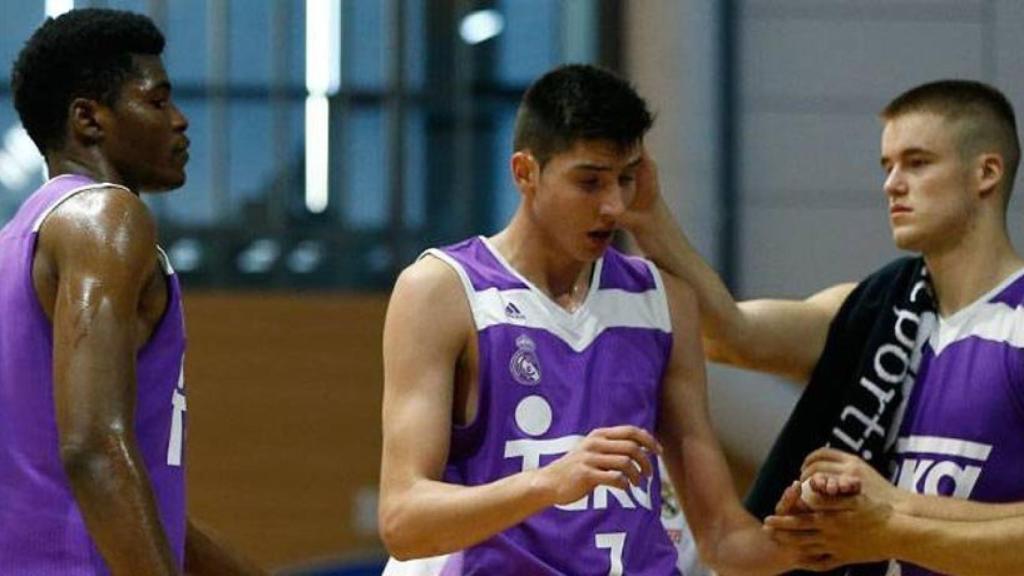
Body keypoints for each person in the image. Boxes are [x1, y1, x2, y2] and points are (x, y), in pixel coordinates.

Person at [377, 63, 830, 575]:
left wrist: (807, 539)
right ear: (525, 172)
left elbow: (723, 538)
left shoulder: (664, 300)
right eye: (589, 182)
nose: (614, 206)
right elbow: (403, 520)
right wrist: (551, 482)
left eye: (627, 179)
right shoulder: (442, 289)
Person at [627, 79, 1024, 575]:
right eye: (887, 166)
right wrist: (648, 218)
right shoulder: (875, 307)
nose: (892, 184)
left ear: (986, 172)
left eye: (917, 163)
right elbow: (726, 334)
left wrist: (895, 522)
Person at [0, 9, 263, 575]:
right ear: (89, 119)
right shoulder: (106, 215)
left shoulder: (14, 242)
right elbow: (93, 447)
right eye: (158, 100)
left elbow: (130, 502)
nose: (180, 120)